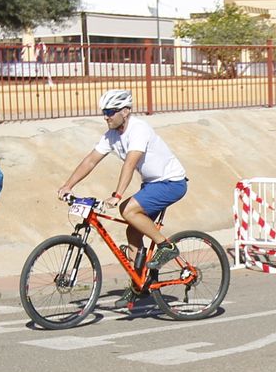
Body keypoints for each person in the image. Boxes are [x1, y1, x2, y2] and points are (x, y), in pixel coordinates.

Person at [57, 88, 186, 308]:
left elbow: (131, 161)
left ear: (125, 111)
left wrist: (118, 195)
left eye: (110, 111)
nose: (105, 116)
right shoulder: (111, 136)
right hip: (151, 184)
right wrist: (68, 185)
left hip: (171, 182)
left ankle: (167, 246)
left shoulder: (138, 129)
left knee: (127, 209)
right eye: (103, 112)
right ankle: (138, 286)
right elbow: (90, 160)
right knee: (132, 230)